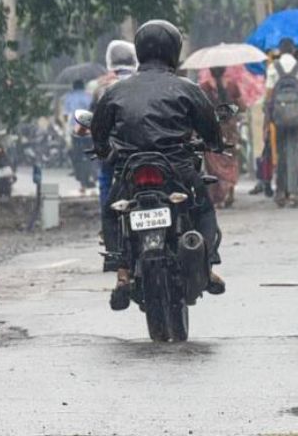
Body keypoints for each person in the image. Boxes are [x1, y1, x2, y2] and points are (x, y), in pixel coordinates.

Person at [90, 20, 227, 309]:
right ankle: (208, 265)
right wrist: (214, 143)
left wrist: (103, 150)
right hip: (178, 169)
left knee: (112, 212)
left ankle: (122, 272)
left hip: (130, 172)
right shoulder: (188, 88)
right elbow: (211, 130)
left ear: (140, 51)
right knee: (203, 207)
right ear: (173, 51)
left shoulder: (115, 91)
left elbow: (99, 133)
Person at [265, 37, 298, 207]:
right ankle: (293, 193)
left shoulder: (273, 67)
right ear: (293, 50)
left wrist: (269, 116)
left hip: (279, 117)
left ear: (280, 51)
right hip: (296, 117)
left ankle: (281, 192)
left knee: (281, 153)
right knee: (294, 153)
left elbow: (269, 95)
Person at [93, 40, 138, 213]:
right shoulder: (143, 82)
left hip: (113, 149)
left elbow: (95, 121)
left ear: (110, 60)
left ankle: (107, 217)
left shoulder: (102, 87)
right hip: (143, 143)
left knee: (105, 179)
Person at [200, 66, 243, 208]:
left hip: (211, 130)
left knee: (214, 164)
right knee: (230, 160)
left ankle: (218, 198)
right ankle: (230, 192)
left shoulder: (204, 87)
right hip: (230, 130)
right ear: (224, 70)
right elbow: (242, 106)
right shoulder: (232, 85)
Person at [61, 79, 95, 193]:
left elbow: (65, 115)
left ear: (73, 87)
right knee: (90, 154)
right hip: (88, 131)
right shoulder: (89, 97)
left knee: (77, 155)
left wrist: (67, 126)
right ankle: (89, 176)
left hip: (75, 131)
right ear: (83, 87)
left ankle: (81, 180)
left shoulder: (69, 97)